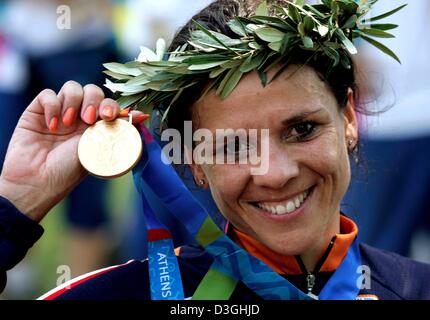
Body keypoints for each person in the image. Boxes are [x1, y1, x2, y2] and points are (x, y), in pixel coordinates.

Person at [1, 0, 430, 300]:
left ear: (351, 119)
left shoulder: (417, 289)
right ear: (194, 161)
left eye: (302, 129)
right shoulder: (126, 293)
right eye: (234, 145)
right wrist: (17, 207)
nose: (275, 172)